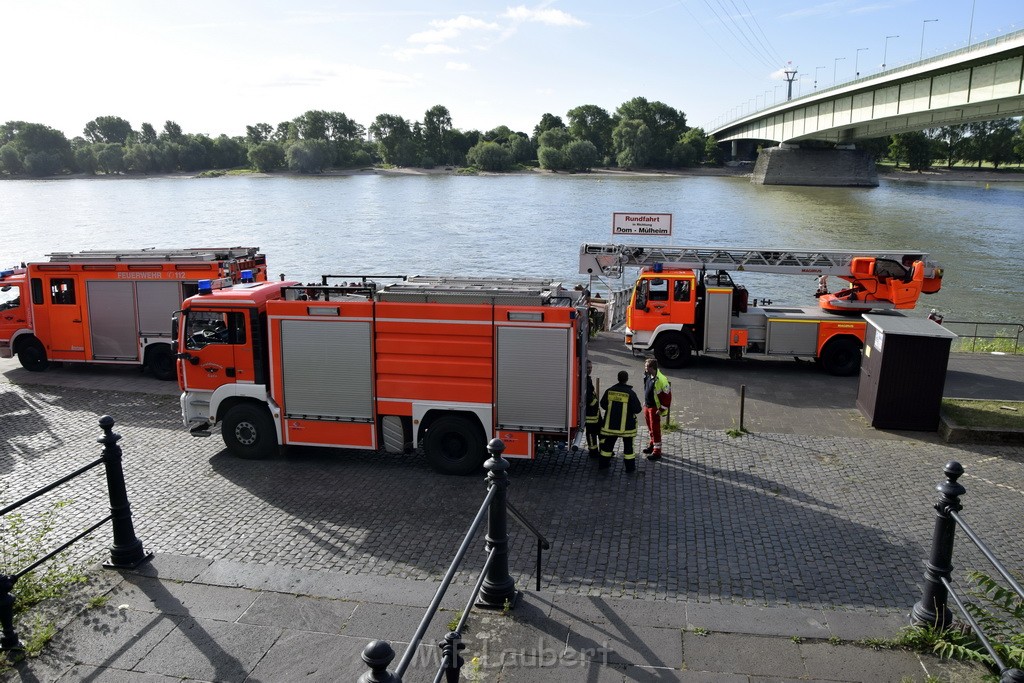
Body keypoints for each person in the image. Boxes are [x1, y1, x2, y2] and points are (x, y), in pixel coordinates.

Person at [598, 370, 643, 473]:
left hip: (610, 427)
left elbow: (603, 404)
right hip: (626, 428)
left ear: (618, 379)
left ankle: (603, 465)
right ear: (627, 379)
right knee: (628, 449)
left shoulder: (610, 391)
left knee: (607, 448)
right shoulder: (630, 393)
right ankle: (630, 468)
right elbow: (637, 409)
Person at [641, 359, 672, 461]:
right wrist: (645, 402)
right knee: (650, 428)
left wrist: (662, 409)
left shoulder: (662, 380)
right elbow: (647, 389)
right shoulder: (648, 375)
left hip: (655, 408)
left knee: (655, 430)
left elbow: (667, 397)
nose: (645, 368)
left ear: (651, 368)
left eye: (646, 367)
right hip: (648, 406)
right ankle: (652, 445)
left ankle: (657, 452)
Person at [585, 360, 601, 458]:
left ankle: (601, 450)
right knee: (591, 433)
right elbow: (588, 398)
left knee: (598, 431)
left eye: (591, 367)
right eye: (588, 368)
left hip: (594, 413)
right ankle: (593, 451)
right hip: (590, 413)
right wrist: (595, 402)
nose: (590, 369)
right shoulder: (585, 380)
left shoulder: (587, 379)